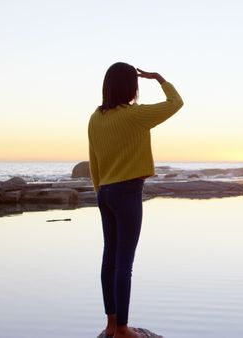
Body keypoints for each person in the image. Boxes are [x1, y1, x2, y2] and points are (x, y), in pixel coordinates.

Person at [88, 62, 183, 338]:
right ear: (131, 87)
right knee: (124, 263)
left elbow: (93, 161)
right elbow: (176, 102)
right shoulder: (135, 115)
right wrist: (159, 78)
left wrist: (99, 192)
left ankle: (110, 322)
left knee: (109, 259)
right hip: (127, 193)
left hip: (104, 193)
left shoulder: (95, 118)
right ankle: (122, 329)